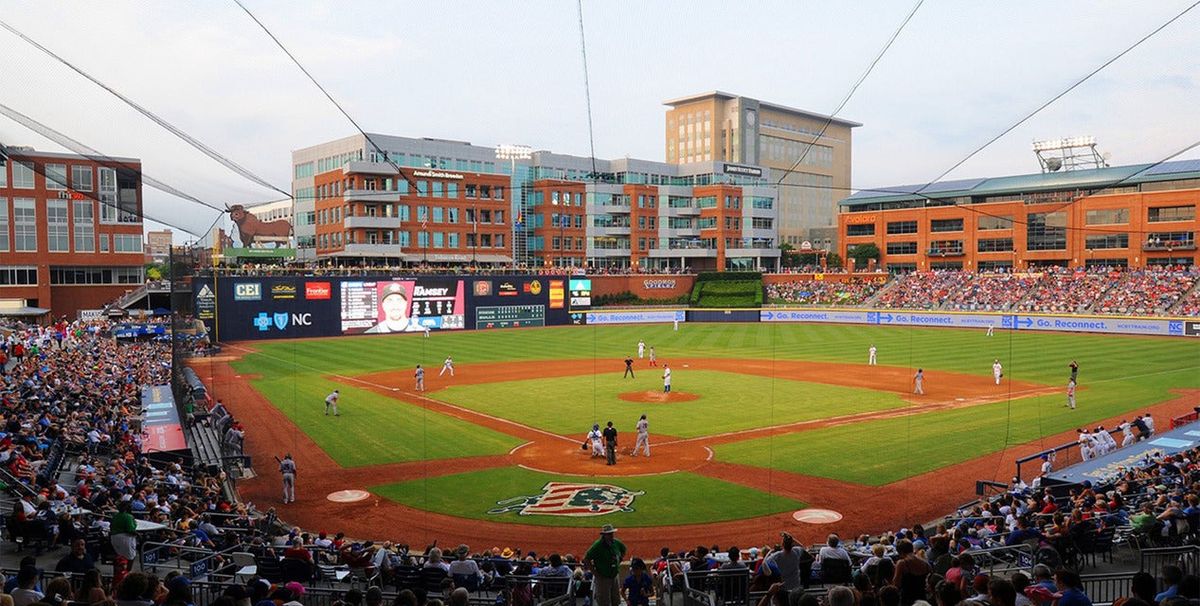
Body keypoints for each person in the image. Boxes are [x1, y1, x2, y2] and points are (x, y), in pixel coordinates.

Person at [585, 525, 626, 606]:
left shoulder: (616, 542)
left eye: (612, 533)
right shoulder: (597, 545)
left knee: (616, 600)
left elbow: (623, 550)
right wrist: (595, 573)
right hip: (603, 578)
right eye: (609, 534)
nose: (611, 535)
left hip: (614, 576)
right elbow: (587, 559)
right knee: (604, 602)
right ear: (604, 535)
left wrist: (619, 560)